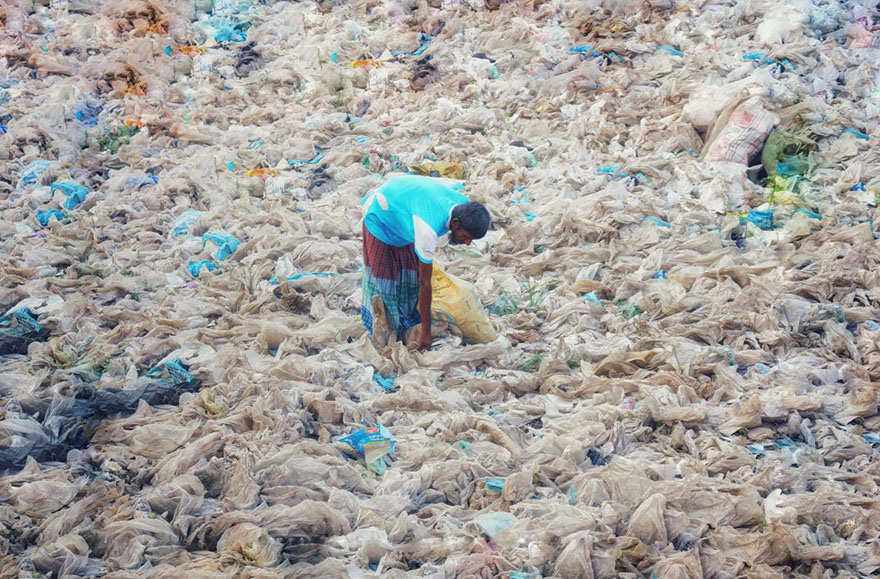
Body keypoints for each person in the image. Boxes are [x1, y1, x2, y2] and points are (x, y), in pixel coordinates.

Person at [361, 175, 490, 351]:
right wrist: (426, 331)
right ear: (455, 223)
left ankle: (405, 323)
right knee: (385, 282)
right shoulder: (427, 227)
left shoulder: (464, 206)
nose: (467, 243)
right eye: (466, 237)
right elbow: (425, 282)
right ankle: (385, 333)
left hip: (404, 212)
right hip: (380, 217)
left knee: (408, 275)